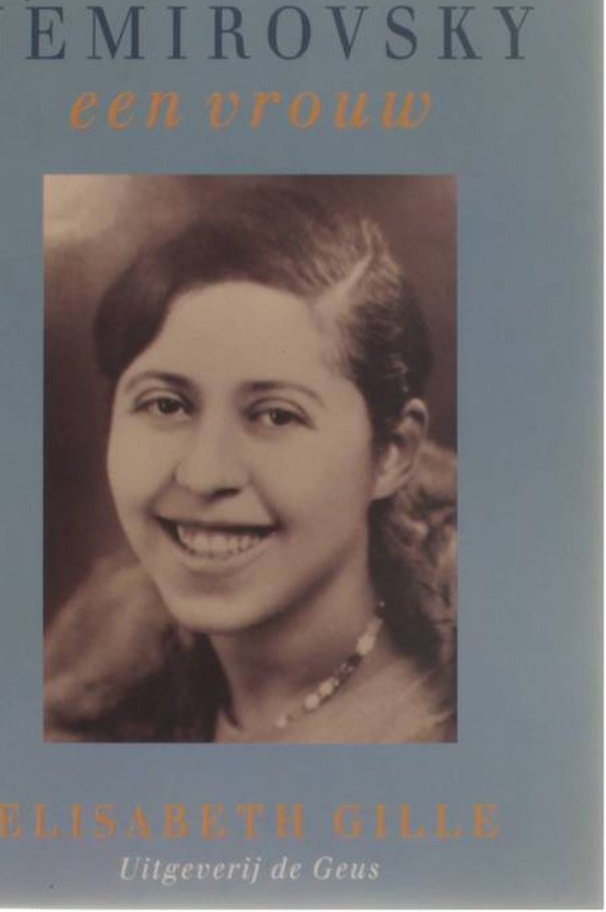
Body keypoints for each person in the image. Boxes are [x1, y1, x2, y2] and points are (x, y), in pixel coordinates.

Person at [44, 185, 457, 743]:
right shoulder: (86, 702)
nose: (204, 474)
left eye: (276, 416)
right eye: (166, 405)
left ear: (392, 453)